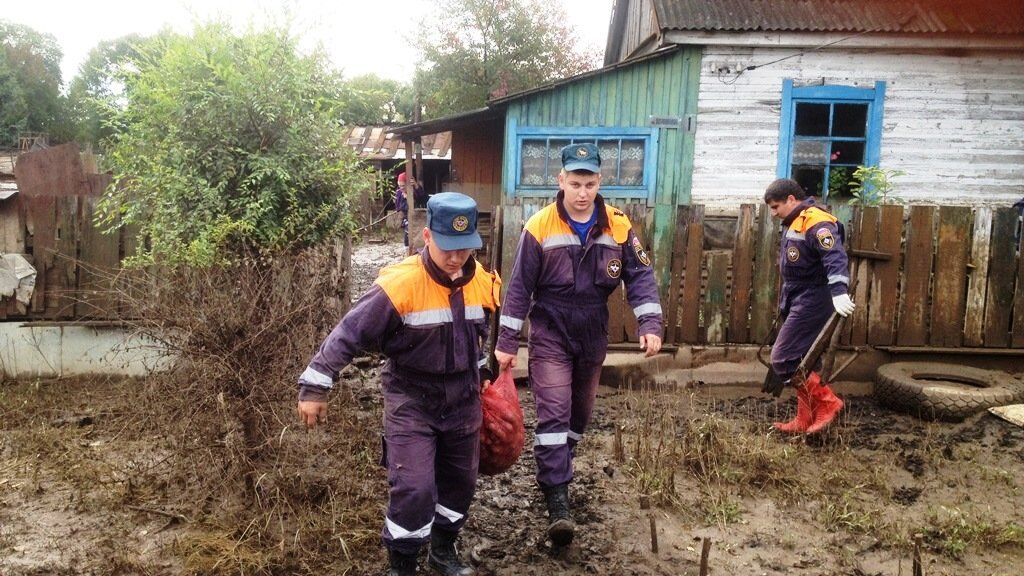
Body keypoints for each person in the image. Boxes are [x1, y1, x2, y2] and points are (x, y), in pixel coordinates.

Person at [297, 192, 500, 576]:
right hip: (411, 398)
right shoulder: (400, 284)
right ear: (427, 237)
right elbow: (349, 332)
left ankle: (442, 550)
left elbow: (479, 336)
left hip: (463, 399)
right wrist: (315, 386)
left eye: (465, 249)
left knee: (460, 483)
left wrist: (484, 373)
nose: (456, 258)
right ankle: (403, 564)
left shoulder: (483, 282)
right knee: (415, 486)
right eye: (447, 248)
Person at [494, 143, 663, 547]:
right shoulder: (539, 226)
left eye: (589, 183)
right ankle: (557, 500)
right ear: (561, 181)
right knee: (553, 410)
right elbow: (518, 289)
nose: (582, 192)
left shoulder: (618, 226)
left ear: (599, 182)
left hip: (592, 326)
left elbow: (639, 277)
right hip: (551, 325)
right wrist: (507, 341)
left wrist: (650, 321)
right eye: (574, 183)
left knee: (580, 415)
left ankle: (560, 464)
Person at [763, 178, 854, 435]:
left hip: (816, 297)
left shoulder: (816, 221)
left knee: (783, 359)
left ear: (792, 199)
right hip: (800, 296)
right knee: (805, 360)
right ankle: (805, 418)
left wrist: (838, 291)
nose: (773, 213)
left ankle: (828, 403)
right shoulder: (796, 222)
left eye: (776, 206)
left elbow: (834, 256)